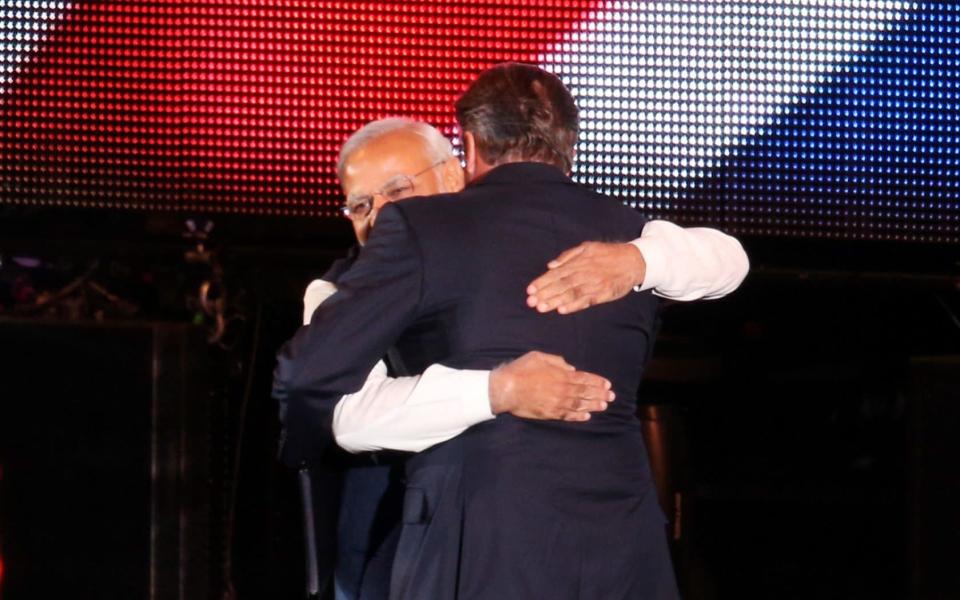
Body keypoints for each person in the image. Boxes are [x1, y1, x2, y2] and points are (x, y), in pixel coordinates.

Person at [279, 80, 748, 598]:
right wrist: (498, 390)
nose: (381, 215)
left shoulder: (619, 245)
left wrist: (642, 259)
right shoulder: (335, 289)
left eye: (396, 190)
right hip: (422, 512)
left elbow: (729, 259)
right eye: (360, 205)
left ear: (460, 162)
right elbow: (346, 418)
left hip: (495, 530)